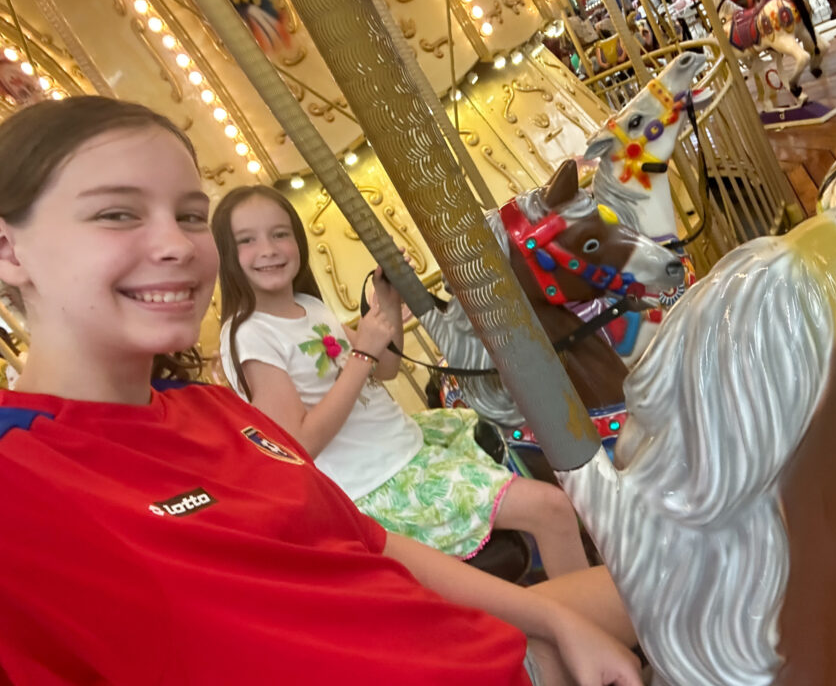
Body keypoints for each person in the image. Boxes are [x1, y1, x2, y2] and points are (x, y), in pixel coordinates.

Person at [0, 96, 641, 684]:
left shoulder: (217, 407)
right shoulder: (25, 484)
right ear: (8, 251)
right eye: (117, 214)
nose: (175, 244)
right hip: (423, 586)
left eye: (190, 215)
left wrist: (555, 621)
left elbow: (370, 544)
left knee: (697, 564)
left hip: (463, 641)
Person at [212, 185, 590, 576]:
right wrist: (363, 352)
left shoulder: (309, 307)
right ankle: (590, 625)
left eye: (280, 234)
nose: (269, 249)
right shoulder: (249, 334)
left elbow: (385, 370)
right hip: (377, 484)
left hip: (407, 447)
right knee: (552, 508)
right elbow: (298, 443)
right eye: (247, 240)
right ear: (225, 256)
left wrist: (386, 301)